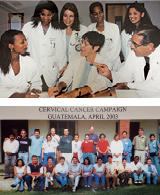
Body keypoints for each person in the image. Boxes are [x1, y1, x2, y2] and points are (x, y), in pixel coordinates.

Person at [97, 24, 160, 92]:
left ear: (150, 46)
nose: (131, 46)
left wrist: (128, 85)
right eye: (131, 42)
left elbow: (155, 86)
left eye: (135, 44)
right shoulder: (134, 53)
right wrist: (109, 74)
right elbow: (125, 75)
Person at [48, 31, 111, 98]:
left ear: (95, 48)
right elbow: (67, 77)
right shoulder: (76, 58)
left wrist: (76, 92)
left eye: (85, 44)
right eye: (82, 42)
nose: (81, 45)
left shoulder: (105, 65)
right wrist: (58, 88)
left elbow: (97, 84)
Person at [22, 0, 65, 91]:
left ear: (53, 14)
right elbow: (21, 48)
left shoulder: (57, 31)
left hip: (50, 73)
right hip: (32, 72)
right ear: (38, 14)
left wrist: (60, 75)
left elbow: (60, 55)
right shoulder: (29, 27)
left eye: (49, 15)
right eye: (43, 14)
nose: (46, 18)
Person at [0, 30, 41, 98]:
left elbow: (36, 82)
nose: (26, 44)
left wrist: (34, 90)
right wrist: (18, 96)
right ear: (11, 46)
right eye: (22, 42)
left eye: (25, 41)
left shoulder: (30, 62)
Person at [88, 2, 121, 71]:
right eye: (95, 14)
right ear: (91, 15)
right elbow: (90, 50)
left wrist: (105, 65)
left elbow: (115, 51)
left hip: (113, 66)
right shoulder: (90, 29)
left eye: (100, 12)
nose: (99, 16)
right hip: (97, 66)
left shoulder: (114, 28)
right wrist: (99, 64)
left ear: (103, 12)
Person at [59, 2, 88, 75]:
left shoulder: (83, 30)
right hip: (60, 69)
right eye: (65, 16)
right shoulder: (56, 31)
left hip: (78, 67)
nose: (68, 19)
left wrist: (68, 66)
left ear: (75, 17)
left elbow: (86, 52)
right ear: (62, 16)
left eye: (71, 16)